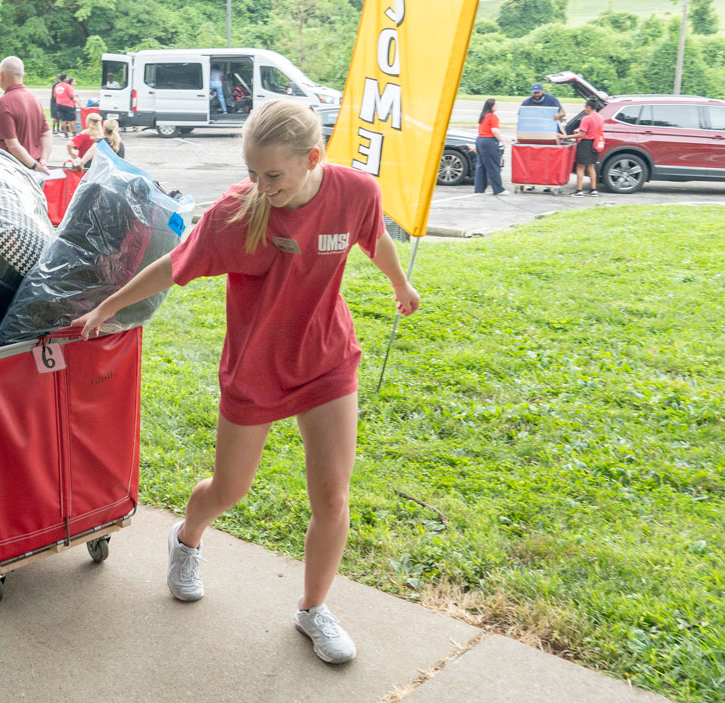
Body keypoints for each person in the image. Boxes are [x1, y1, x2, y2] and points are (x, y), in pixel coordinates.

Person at [72, 99, 420, 665]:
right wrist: (106, 307)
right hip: (255, 369)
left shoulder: (356, 192)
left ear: (312, 158)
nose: (260, 185)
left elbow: (371, 236)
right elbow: (173, 266)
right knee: (231, 490)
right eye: (253, 172)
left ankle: (313, 609)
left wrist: (399, 283)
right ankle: (186, 539)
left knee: (332, 495)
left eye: (273, 175)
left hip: (327, 360)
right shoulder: (239, 211)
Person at [0, 56, 51, 173]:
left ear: (1, 75)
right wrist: (43, 160)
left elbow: (12, 144)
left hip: (12, 170)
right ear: (22, 75)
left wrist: (34, 166)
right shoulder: (33, 99)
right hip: (35, 167)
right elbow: (47, 134)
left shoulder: (4, 102)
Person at [474, 98, 509, 196]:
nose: (497, 107)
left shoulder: (483, 116)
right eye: (495, 105)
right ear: (491, 106)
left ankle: (479, 188)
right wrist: (502, 141)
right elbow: (494, 131)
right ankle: (498, 189)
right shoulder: (493, 117)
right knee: (493, 166)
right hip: (489, 142)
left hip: (480, 140)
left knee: (481, 166)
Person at [570, 98, 604, 197]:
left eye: (585, 107)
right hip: (595, 144)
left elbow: (581, 134)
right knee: (591, 166)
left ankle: (579, 190)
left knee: (580, 167)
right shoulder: (600, 117)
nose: (585, 109)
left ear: (588, 107)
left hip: (585, 144)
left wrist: (566, 136)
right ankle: (593, 190)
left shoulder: (586, 118)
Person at [54, 74, 78, 139]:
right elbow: (71, 95)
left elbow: (55, 95)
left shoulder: (57, 86)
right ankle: (74, 133)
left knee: (63, 120)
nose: (68, 79)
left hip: (59, 104)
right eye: (67, 78)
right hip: (68, 104)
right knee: (71, 120)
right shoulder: (67, 86)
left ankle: (65, 133)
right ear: (64, 79)